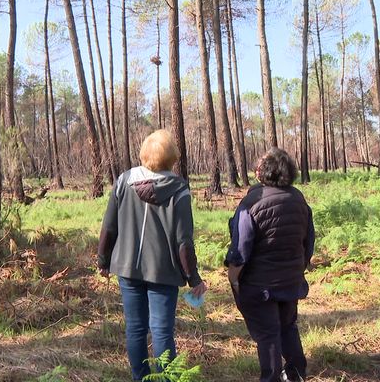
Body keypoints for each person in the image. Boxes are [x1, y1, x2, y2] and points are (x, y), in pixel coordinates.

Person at [97, 129, 207, 382]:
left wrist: (103, 260)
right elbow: (183, 242)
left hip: (126, 268)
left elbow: (108, 227)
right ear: (172, 157)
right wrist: (194, 279)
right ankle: (166, 379)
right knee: (162, 332)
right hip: (163, 272)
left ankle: (141, 378)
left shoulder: (124, 180)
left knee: (135, 329)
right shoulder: (179, 189)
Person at [226, 148, 315, 382]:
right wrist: (299, 268)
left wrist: (233, 278)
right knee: (287, 327)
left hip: (259, 285)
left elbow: (240, 249)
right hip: (290, 281)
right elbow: (309, 241)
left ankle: (272, 378)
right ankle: (296, 374)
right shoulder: (298, 198)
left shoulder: (252, 202)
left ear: (264, 172)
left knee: (268, 336)